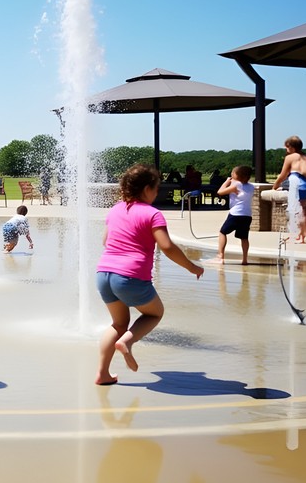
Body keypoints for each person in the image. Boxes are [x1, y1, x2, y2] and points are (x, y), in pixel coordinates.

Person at [95, 163, 204, 385]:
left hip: (104, 273)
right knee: (154, 313)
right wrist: (191, 267)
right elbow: (167, 246)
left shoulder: (115, 209)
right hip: (130, 276)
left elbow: (105, 241)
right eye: (156, 189)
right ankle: (127, 342)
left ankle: (103, 373)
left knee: (117, 324)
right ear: (147, 189)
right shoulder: (152, 214)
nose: (157, 193)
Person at [272, 135, 306, 243]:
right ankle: (303, 235)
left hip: (297, 184)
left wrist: (274, 187)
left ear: (291, 147)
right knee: (302, 209)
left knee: (299, 211)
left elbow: (283, 175)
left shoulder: (290, 157)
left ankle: (305, 236)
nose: (286, 150)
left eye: (287, 147)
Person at [213, 165, 254, 265]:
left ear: (238, 176)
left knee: (223, 232)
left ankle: (220, 256)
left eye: (233, 173)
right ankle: (245, 259)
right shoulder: (251, 186)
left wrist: (227, 182)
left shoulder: (236, 186)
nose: (231, 174)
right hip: (247, 215)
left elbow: (220, 192)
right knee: (244, 237)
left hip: (235, 214)